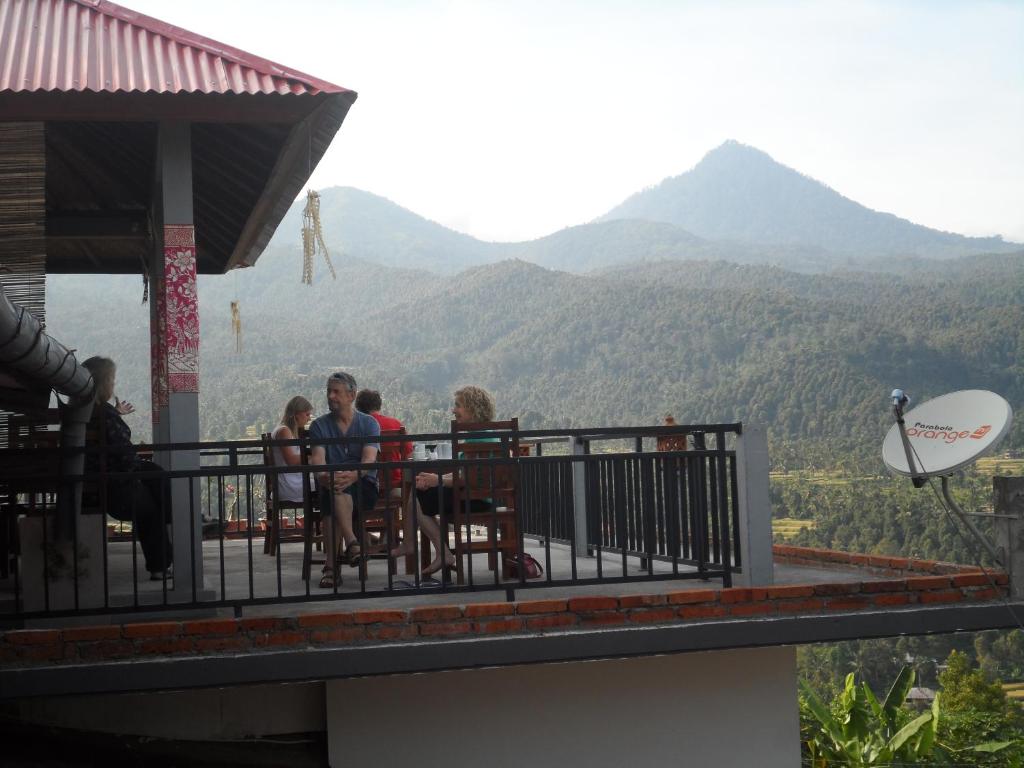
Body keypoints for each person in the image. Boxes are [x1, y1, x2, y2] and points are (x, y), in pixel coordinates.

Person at [81, 356, 172, 581]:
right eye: (111, 379)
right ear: (102, 383)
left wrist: (116, 413)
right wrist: (135, 469)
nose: (113, 384)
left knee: (156, 473)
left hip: (98, 479)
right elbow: (123, 452)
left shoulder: (85, 411)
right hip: (117, 484)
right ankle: (176, 523)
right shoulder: (105, 415)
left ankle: (175, 517)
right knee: (152, 507)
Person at [413, 385, 497, 576]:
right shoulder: (490, 435)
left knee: (416, 497)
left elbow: (466, 479)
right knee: (419, 494)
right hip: (485, 498)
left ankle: (442, 554)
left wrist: (436, 480)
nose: (453, 410)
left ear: (472, 408)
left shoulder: (475, 440)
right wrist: (436, 479)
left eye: (458, 405)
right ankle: (442, 553)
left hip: (472, 500)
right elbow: (468, 474)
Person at [308, 372, 380, 589]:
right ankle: (352, 543)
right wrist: (328, 477)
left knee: (334, 498)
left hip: (363, 484)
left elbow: (368, 461)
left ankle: (331, 567)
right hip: (331, 482)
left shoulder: (369, 424)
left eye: (336, 392)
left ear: (352, 395)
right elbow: (319, 463)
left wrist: (353, 475)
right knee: (335, 492)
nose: (331, 396)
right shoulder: (319, 426)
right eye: (329, 392)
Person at [271, 396, 314, 503]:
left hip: (290, 482)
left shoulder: (285, 430)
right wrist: (314, 456)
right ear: (296, 414)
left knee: (328, 482)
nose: (309, 418)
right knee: (330, 484)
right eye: (307, 414)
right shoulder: (284, 431)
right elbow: (291, 460)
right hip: (288, 486)